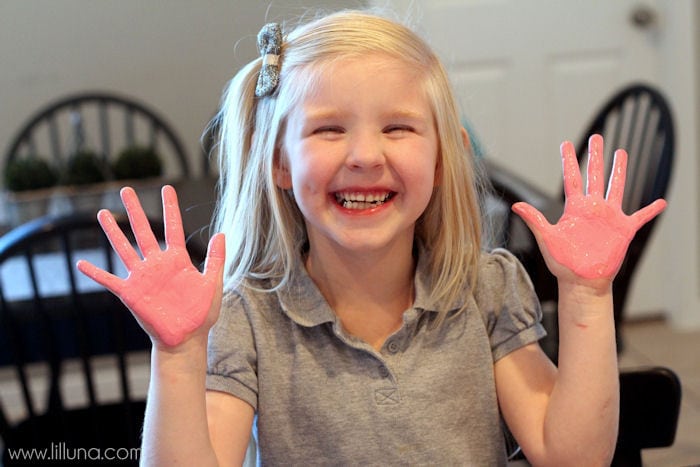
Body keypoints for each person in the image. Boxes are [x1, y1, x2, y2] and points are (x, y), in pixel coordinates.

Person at [76, 9, 667, 466]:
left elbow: (574, 455)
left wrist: (588, 297)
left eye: (398, 127)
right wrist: (177, 357)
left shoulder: (487, 290)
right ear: (277, 162)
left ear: (443, 159)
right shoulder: (245, 318)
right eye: (328, 129)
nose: (364, 155)